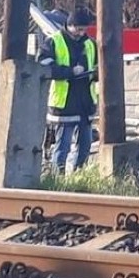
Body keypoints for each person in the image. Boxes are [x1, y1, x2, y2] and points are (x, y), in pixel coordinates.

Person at [39, 9, 98, 173]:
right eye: (78, 29)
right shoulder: (53, 41)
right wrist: (70, 72)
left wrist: (96, 73)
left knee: (85, 145)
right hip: (64, 104)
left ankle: (79, 174)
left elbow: (98, 66)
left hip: (85, 104)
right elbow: (44, 66)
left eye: (84, 29)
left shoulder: (90, 44)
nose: (82, 33)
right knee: (62, 146)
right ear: (69, 25)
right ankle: (58, 177)